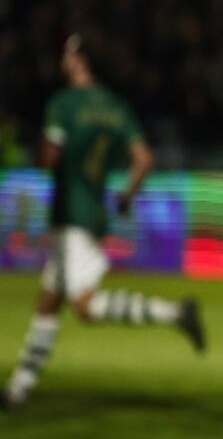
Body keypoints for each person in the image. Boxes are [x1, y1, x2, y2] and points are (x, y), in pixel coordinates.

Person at [2, 34, 205, 410]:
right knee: (49, 303)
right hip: (92, 210)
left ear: (79, 60)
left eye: (67, 52)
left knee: (85, 306)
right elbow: (144, 160)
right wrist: (126, 197)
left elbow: (49, 157)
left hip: (71, 214)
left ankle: (176, 312)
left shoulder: (63, 104)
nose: (62, 58)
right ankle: (17, 392)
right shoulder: (117, 108)